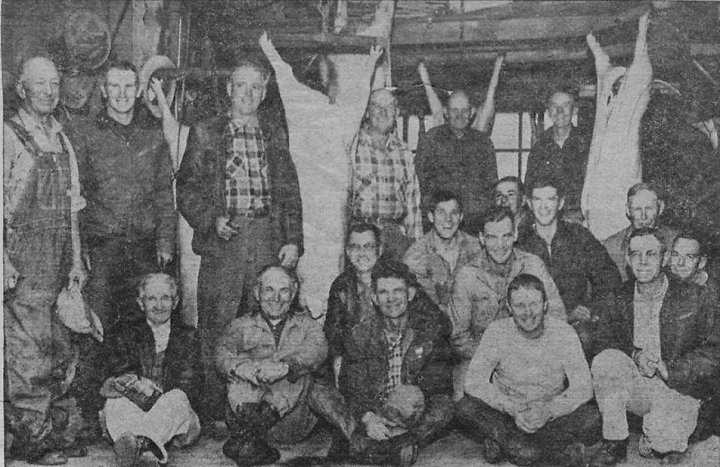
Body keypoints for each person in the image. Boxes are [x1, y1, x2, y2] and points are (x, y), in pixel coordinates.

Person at [176, 59, 303, 424]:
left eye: (255, 88)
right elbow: (186, 189)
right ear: (228, 89)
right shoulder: (206, 131)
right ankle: (216, 412)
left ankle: (255, 413)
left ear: (264, 94)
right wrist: (211, 219)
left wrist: (292, 240)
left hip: (266, 237)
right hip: (225, 240)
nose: (247, 94)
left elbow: (290, 191)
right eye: (240, 86)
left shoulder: (274, 132)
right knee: (219, 322)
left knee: (264, 322)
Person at [259, 32, 382, 318]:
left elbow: (361, 96)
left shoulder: (341, 115)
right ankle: (308, 314)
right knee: (305, 268)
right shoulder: (301, 105)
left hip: (333, 210)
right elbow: (284, 75)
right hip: (307, 208)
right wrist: (269, 50)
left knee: (333, 268)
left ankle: (328, 317)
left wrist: (370, 65)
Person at [4, 56, 87, 465]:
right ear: (21, 90)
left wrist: (76, 258)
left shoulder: (60, 134)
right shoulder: (6, 136)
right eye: (40, 84)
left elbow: (72, 205)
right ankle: (29, 435)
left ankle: (53, 428)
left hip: (58, 254)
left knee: (59, 344)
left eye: (55, 83)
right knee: (28, 348)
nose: (50, 92)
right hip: (25, 255)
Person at [589, 229, 720, 466]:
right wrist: (635, 355)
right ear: (627, 259)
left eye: (651, 254)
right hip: (638, 387)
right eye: (635, 254)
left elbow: (713, 351)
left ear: (664, 258)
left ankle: (656, 435)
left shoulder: (694, 296)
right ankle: (615, 441)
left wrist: (671, 369)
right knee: (605, 361)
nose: (643, 261)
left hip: (676, 389)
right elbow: (603, 342)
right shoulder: (618, 297)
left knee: (664, 441)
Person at [70, 60, 176, 330]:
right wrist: (80, 252)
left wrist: (164, 243)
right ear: (104, 90)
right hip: (103, 248)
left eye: (128, 86)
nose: (121, 93)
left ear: (139, 90)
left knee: (142, 326)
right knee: (100, 325)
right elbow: (75, 196)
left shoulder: (152, 137)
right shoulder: (86, 135)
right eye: (114, 86)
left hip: (144, 247)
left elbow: (164, 193)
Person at [456, 274, 600, 466]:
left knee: (594, 418)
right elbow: (473, 382)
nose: (528, 312)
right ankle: (555, 452)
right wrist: (511, 408)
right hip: (508, 412)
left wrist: (549, 411)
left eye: (534, 304)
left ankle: (510, 446)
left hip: (550, 413)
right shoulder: (496, 331)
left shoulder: (564, 333)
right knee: (464, 408)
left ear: (545, 305)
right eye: (519, 306)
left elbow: (583, 387)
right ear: (509, 308)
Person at [338, 261, 454, 466]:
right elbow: (351, 385)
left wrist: (404, 404)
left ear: (410, 294)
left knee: (439, 404)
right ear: (374, 298)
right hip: (375, 407)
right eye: (383, 292)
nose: (391, 298)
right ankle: (396, 444)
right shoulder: (360, 335)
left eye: (397, 291)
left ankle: (386, 443)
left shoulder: (429, 331)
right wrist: (369, 417)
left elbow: (439, 382)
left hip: (414, 408)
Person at [215, 266, 327, 466]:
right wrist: (243, 368)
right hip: (246, 410)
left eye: (283, 290)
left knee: (297, 370)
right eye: (269, 290)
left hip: (289, 424)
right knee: (239, 366)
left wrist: (284, 367)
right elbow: (222, 353)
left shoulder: (308, 326)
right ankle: (252, 435)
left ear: (293, 294)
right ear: (257, 293)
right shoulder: (240, 325)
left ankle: (249, 436)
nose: (276, 298)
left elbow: (318, 350)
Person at [451, 206, 566, 400]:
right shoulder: (467, 275)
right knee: (463, 397)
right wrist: (495, 358)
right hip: (483, 356)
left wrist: (535, 351)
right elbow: (459, 337)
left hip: (533, 350)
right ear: (481, 238)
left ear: (515, 235)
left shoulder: (532, 265)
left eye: (506, 236)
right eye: (492, 237)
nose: (500, 244)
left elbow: (558, 317)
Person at [100, 273, 201, 467]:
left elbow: (191, 385)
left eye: (165, 298)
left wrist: (158, 396)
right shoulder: (125, 333)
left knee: (178, 397)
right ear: (141, 303)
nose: (159, 305)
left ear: (175, 302)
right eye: (151, 298)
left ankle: (138, 444)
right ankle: (146, 445)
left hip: (169, 411)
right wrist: (139, 385)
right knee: (116, 400)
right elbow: (119, 373)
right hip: (135, 405)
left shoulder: (187, 336)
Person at [517, 177, 620, 354]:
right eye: (537, 199)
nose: (544, 207)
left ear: (561, 203)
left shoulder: (579, 237)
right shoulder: (521, 243)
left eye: (550, 199)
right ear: (528, 203)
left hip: (578, 327)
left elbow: (609, 277)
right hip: (533, 322)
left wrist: (590, 309)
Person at [415, 65, 500, 233]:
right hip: (439, 224)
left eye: (464, 111)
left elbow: (491, 185)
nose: (459, 116)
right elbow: (420, 184)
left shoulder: (484, 143)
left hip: (475, 224)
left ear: (471, 113)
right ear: (445, 112)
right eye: (454, 110)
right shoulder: (430, 140)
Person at [350, 88, 421, 260]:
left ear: (396, 112)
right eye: (376, 106)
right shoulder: (353, 147)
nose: (383, 112)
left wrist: (417, 247)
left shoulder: (403, 151)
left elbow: (413, 202)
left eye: (389, 107)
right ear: (367, 112)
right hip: (361, 237)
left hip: (395, 238)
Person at [403, 190, 482, 316]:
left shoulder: (477, 248)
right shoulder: (415, 255)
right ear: (430, 216)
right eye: (441, 212)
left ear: (461, 217)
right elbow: (424, 305)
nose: (448, 219)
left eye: (454, 213)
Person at [524, 85, 590, 224]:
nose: (559, 111)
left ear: (575, 110)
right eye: (554, 106)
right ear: (548, 111)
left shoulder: (588, 145)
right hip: (547, 219)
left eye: (565, 105)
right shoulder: (539, 147)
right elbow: (530, 188)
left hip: (582, 220)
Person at [602, 183, 679, 282]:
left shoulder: (676, 242)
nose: (643, 216)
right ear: (628, 210)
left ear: (661, 208)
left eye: (649, 209)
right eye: (637, 209)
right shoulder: (612, 245)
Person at [669, 231, 720, 305]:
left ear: (702, 262)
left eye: (689, 257)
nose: (680, 263)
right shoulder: (665, 279)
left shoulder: (714, 293)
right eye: (675, 255)